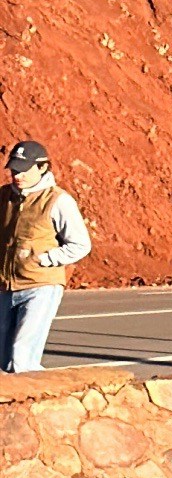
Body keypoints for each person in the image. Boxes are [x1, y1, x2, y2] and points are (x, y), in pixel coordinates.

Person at [1, 139, 88, 374]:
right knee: (3, 359)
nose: (17, 175)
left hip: (41, 285)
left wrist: (46, 259)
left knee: (22, 356)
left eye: (24, 170)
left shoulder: (58, 200)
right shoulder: (5, 197)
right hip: (6, 287)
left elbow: (80, 244)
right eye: (14, 169)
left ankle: (31, 406)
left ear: (42, 167)